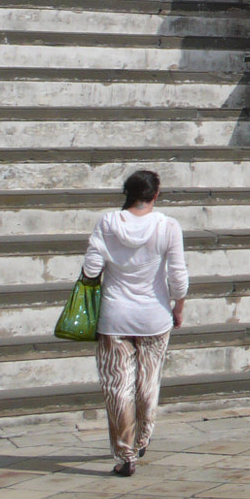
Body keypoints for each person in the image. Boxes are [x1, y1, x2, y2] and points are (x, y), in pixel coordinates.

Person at [81, 170, 188, 476]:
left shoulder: (107, 223)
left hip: (114, 317)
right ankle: (142, 439)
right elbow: (177, 278)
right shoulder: (168, 226)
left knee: (118, 387)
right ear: (155, 195)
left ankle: (125, 455)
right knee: (148, 383)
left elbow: (91, 269)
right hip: (154, 315)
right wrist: (178, 307)